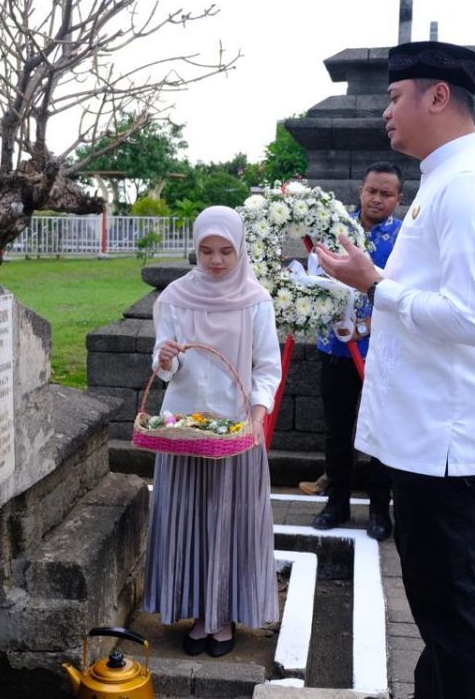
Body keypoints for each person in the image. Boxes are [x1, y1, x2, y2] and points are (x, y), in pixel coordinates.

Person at [315, 40, 475, 699]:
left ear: (437, 96)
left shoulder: (465, 187)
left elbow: (470, 317)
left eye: (395, 96)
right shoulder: (445, 178)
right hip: (430, 438)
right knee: (438, 613)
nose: (386, 112)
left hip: (444, 445)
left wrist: (376, 283)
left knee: (450, 617)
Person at [144, 206, 282, 657]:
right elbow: (168, 367)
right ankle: (196, 613)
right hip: (182, 427)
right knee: (188, 517)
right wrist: (165, 359)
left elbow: (267, 367)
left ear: (240, 249)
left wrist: (258, 418)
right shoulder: (176, 297)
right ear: (196, 248)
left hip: (236, 429)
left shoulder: (256, 300)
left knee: (229, 519)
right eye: (206, 250)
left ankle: (222, 617)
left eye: (225, 251)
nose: (216, 260)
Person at [310, 162, 404, 541]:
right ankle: (336, 503)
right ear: (361, 191)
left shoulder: (405, 238)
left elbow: (406, 293)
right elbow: (315, 279)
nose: (376, 199)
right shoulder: (335, 230)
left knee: (381, 429)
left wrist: (365, 326)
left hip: (382, 350)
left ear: (399, 199)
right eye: (371, 191)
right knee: (337, 430)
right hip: (335, 347)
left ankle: (380, 509)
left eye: (386, 193)